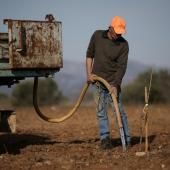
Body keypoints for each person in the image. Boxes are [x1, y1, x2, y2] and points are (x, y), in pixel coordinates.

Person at [86, 16, 131, 149]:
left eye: (120, 32)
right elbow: (89, 55)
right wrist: (89, 74)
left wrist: (116, 85)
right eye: (116, 31)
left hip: (113, 83)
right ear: (110, 27)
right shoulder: (97, 36)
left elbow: (122, 67)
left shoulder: (124, 45)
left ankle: (127, 139)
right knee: (101, 111)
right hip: (98, 82)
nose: (118, 34)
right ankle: (105, 140)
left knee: (119, 111)